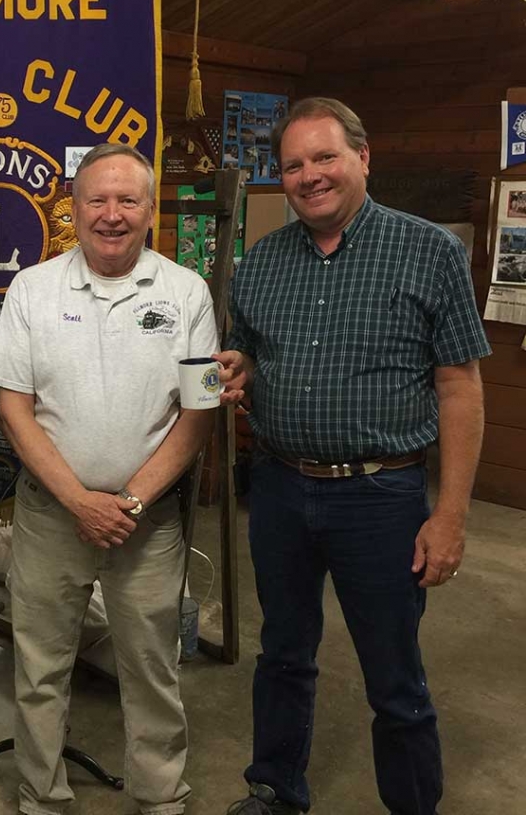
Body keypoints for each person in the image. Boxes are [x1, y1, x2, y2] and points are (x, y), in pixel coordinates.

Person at [217, 98, 491, 815]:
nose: (310, 176)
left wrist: (451, 516)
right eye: (294, 164)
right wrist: (241, 369)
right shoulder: (262, 262)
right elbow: (247, 350)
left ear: (364, 158)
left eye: (325, 157)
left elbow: (460, 388)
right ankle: (275, 788)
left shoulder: (430, 252)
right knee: (281, 654)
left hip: (382, 499)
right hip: (278, 488)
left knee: (394, 676)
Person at [0, 143, 219, 815]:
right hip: (51, 516)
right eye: (97, 199)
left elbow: (199, 412)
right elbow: (13, 407)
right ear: (74, 208)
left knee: (152, 667)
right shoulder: (33, 289)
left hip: (149, 523)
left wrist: (131, 499)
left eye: (128, 200)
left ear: (149, 211)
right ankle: (42, 797)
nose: (111, 214)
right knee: (40, 667)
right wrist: (79, 500)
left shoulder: (187, 292)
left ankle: (160, 796)